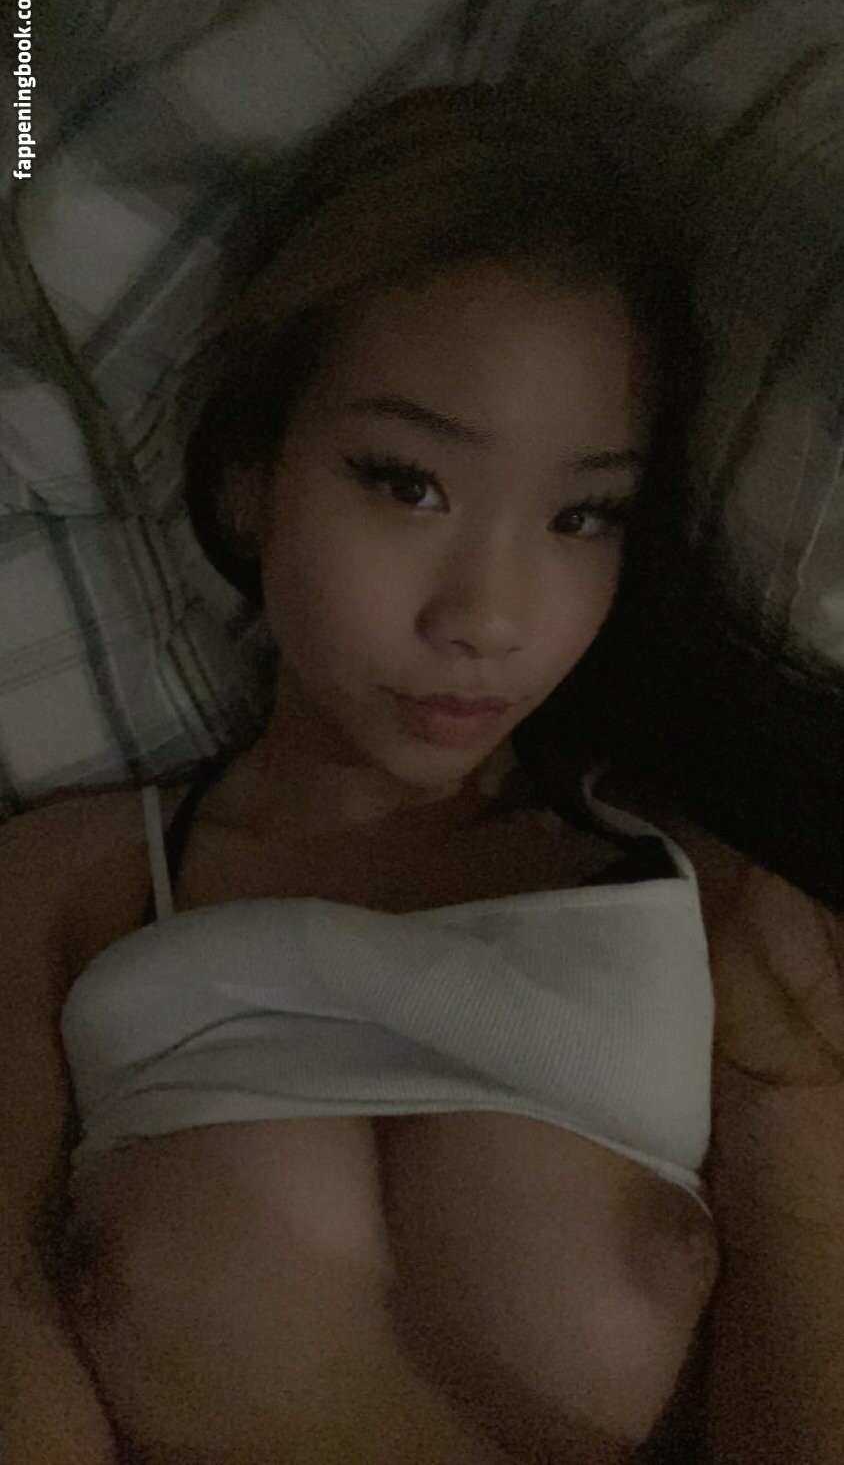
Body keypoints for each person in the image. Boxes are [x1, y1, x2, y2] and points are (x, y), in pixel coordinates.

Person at [0, 83, 841, 1464]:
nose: (488, 616)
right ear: (251, 476)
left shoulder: (737, 926)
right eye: (405, 483)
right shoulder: (55, 891)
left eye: (584, 515)